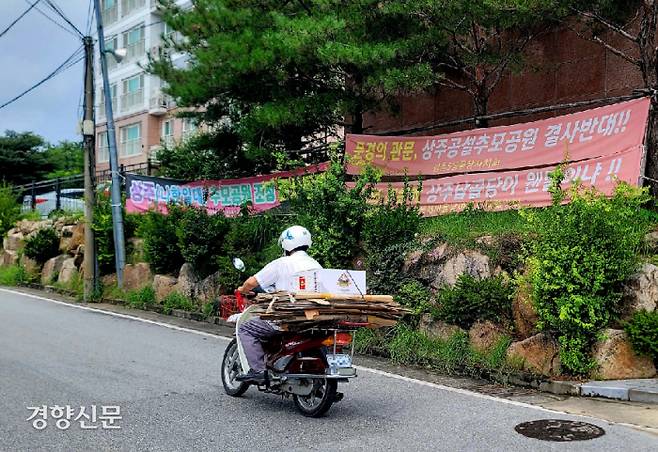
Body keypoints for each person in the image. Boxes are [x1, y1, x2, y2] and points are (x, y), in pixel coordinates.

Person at [235, 225, 322, 384]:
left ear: (286, 244)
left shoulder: (282, 263)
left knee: (246, 328)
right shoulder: (316, 264)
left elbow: (252, 282)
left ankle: (258, 371)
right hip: (313, 319)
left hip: (286, 319)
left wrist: (243, 289)